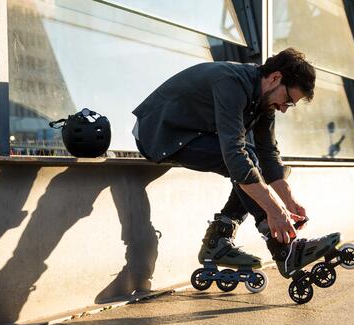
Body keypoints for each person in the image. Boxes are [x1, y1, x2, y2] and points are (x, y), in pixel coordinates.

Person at [132, 48, 318, 277]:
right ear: (275, 78)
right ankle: (283, 248)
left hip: (194, 133)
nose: (283, 109)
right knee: (242, 160)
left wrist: (288, 201)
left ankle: (218, 240)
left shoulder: (264, 99)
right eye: (287, 100)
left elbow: (267, 153)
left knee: (250, 161)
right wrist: (273, 209)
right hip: (160, 133)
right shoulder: (231, 82)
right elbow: (234, 153)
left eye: (289, 105)